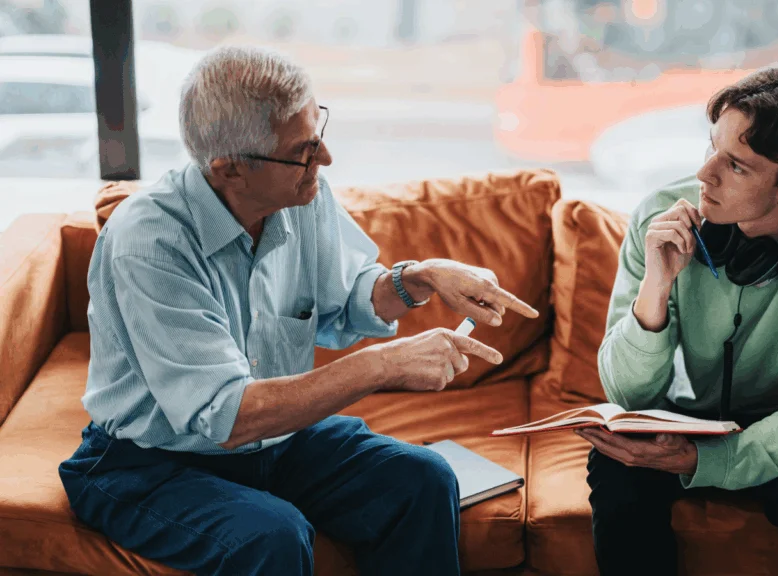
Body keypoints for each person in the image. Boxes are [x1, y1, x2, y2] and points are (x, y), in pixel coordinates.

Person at [57, 45, 539, 576]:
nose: (325, 158)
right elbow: (227, 416)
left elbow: (350, 296)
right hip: (147, 463)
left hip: (274, 442)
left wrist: (420, 277)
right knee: (272, 537)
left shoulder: (301, 197)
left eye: (318, 133)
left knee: (423, 478)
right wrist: (383, 365)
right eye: (303, 151)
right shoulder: (150, 243)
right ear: (231, 170)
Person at [578, 67, 778, 576]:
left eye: (736, 166)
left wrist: (708, 461)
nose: (705, 174)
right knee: (616, 476)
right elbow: (628, 394)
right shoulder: (661, 216)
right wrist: (657, 284)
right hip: (680, 416)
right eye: (711, 148)